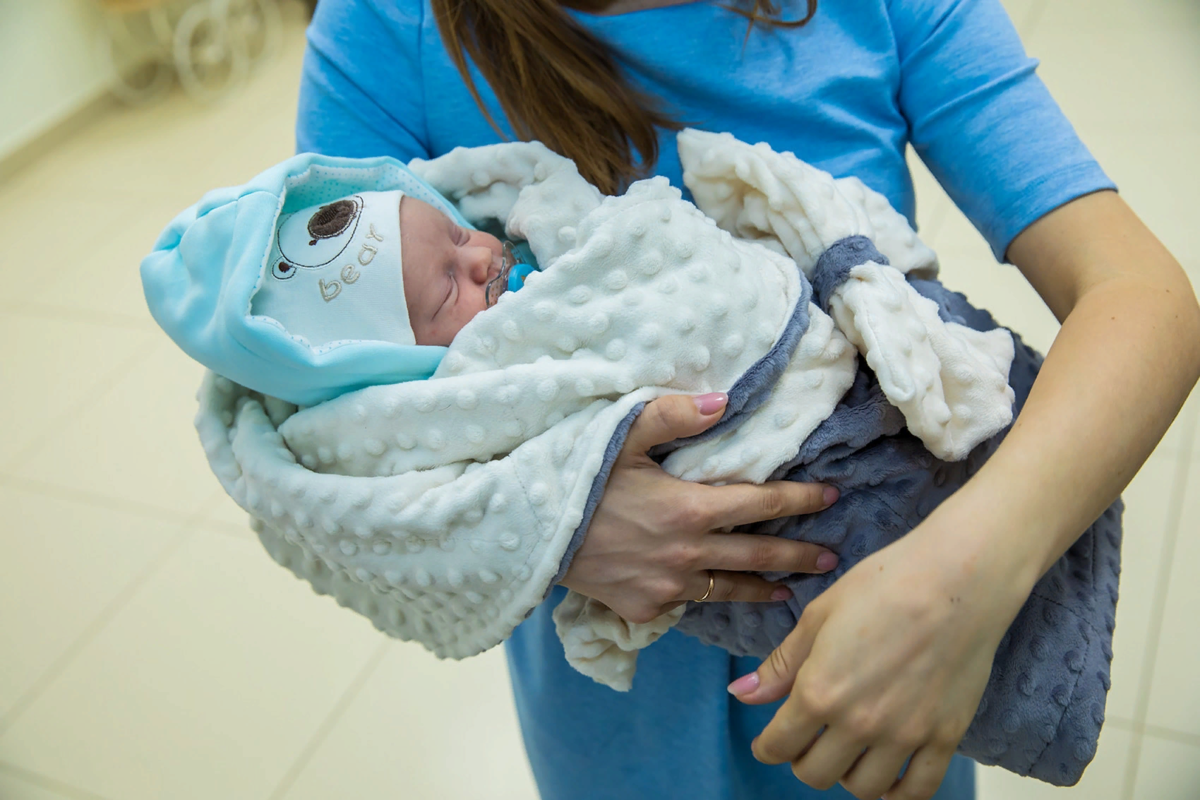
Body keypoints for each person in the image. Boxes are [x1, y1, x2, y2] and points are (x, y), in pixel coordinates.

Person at [291, 1, 1200, 798]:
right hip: (613, 706)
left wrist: (962, 576)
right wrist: (550, 519)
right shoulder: (388, 26)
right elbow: (308, 418)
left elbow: (1141, 299)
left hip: (885, 638)